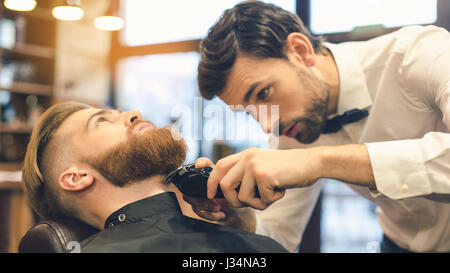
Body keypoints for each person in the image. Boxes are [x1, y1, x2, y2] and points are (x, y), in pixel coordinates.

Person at [190, 0, 450, 253]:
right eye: (249, 114)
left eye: (264, 94)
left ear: (300, 52)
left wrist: (320, 161)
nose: (268, 127)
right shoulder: (291, 130)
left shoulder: (421, 53)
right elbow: (279, 237)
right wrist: (238, 216)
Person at [21, 101, 288, 253]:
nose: (134, 113)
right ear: (76, 177)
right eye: (101, 121)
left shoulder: (254, 245)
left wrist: (242, 227)